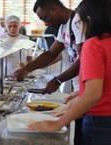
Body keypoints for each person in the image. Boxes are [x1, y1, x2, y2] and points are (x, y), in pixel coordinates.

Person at [28, 1, 111, 145]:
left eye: (80, 21)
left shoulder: (93, 45)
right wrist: (79, 94)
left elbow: (93, 94)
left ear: (88, 20)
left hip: (98, 119)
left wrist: (58, 123)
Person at [14, 0, 84, 144]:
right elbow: (51, 53)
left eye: (44, 18)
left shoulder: (77, 21)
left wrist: (58, 80)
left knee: (81, 133)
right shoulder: (64, 25)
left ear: (54, 10)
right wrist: (26, 69)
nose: (45, 24)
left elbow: (84, 59)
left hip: (87, 86)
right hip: (78, 87)